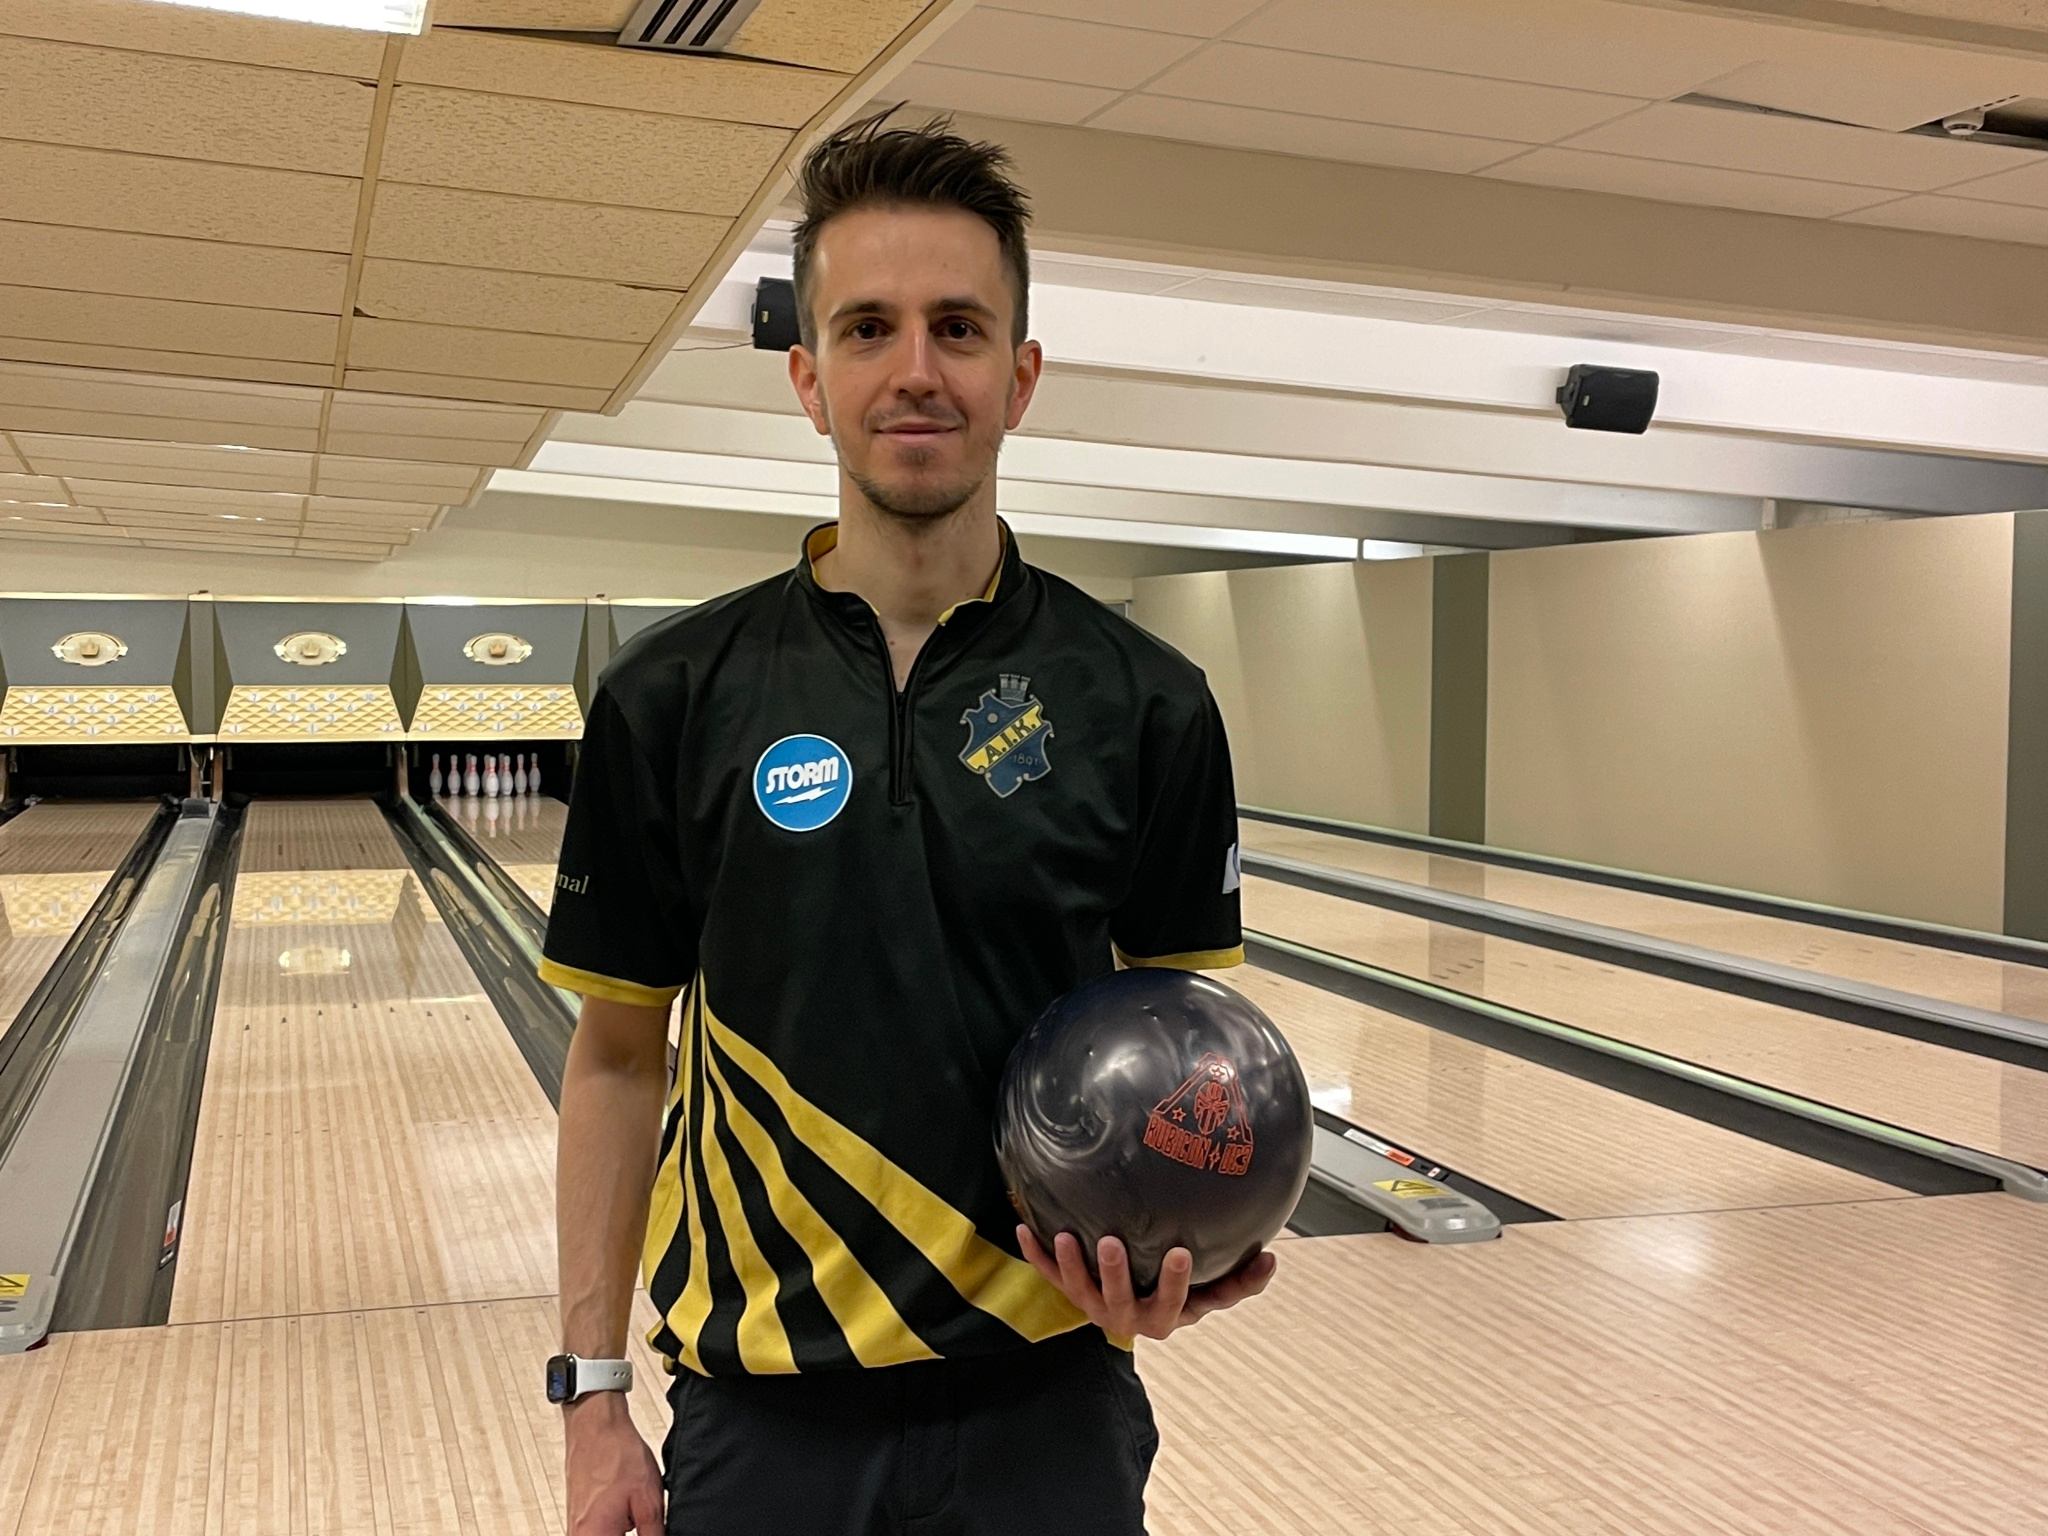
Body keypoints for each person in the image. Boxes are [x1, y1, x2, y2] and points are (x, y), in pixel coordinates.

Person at [540, 108, 1275, 1536]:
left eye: (960, 328)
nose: (917, 370)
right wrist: (593, 1396)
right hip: (765, 1418)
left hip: (1050, 1412)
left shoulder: (1146, 702)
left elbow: (1198, 1060)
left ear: (1021, 376)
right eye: (868, 329)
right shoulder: (671, 695)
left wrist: (1192, 1246)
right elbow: (618, 1058)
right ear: (809, 380)